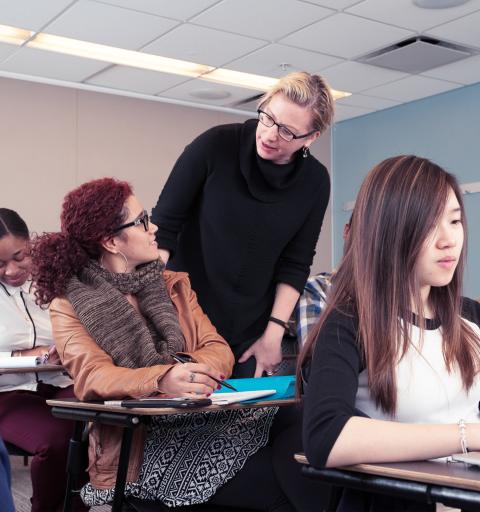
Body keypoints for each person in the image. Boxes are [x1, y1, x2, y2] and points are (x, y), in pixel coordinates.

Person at [32, 178, 294, 511]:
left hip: (205, 416)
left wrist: (190, 371)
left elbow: (217, 347)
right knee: (291, 477)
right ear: (112, 241)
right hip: (142, 442)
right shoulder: (68, 303)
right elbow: (93, 377)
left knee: (298, 426)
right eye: (142, 221)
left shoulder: (172, 284)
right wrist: (163, 379)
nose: (153, 227)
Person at [300, 155, 480, 511]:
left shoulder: (470, 318)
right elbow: (326, 437)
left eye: (455, 220)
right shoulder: (349, 322)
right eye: (431, 224)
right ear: (389, 230)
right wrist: (468, 436)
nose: (449, 240)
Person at [152, 71, 334, 377]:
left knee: (241, 421)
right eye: (268, 118)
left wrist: (273, 336)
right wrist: (153, 313)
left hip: (250, 333)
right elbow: (163, 230)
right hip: (184, 318)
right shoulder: (215, 145)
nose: (270, 134)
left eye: (288, 131)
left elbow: (296, 262)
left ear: (311, 138)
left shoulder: (315, 182)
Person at [0, 208, 83, 512]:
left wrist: (68, 345)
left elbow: (86, 330)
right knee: (59, 439)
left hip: (61, 381)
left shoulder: (55, 281)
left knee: (100, 419)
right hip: (8, 394)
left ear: (31, 243)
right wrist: (21, 356)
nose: (11, 271)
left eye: (19, 257)